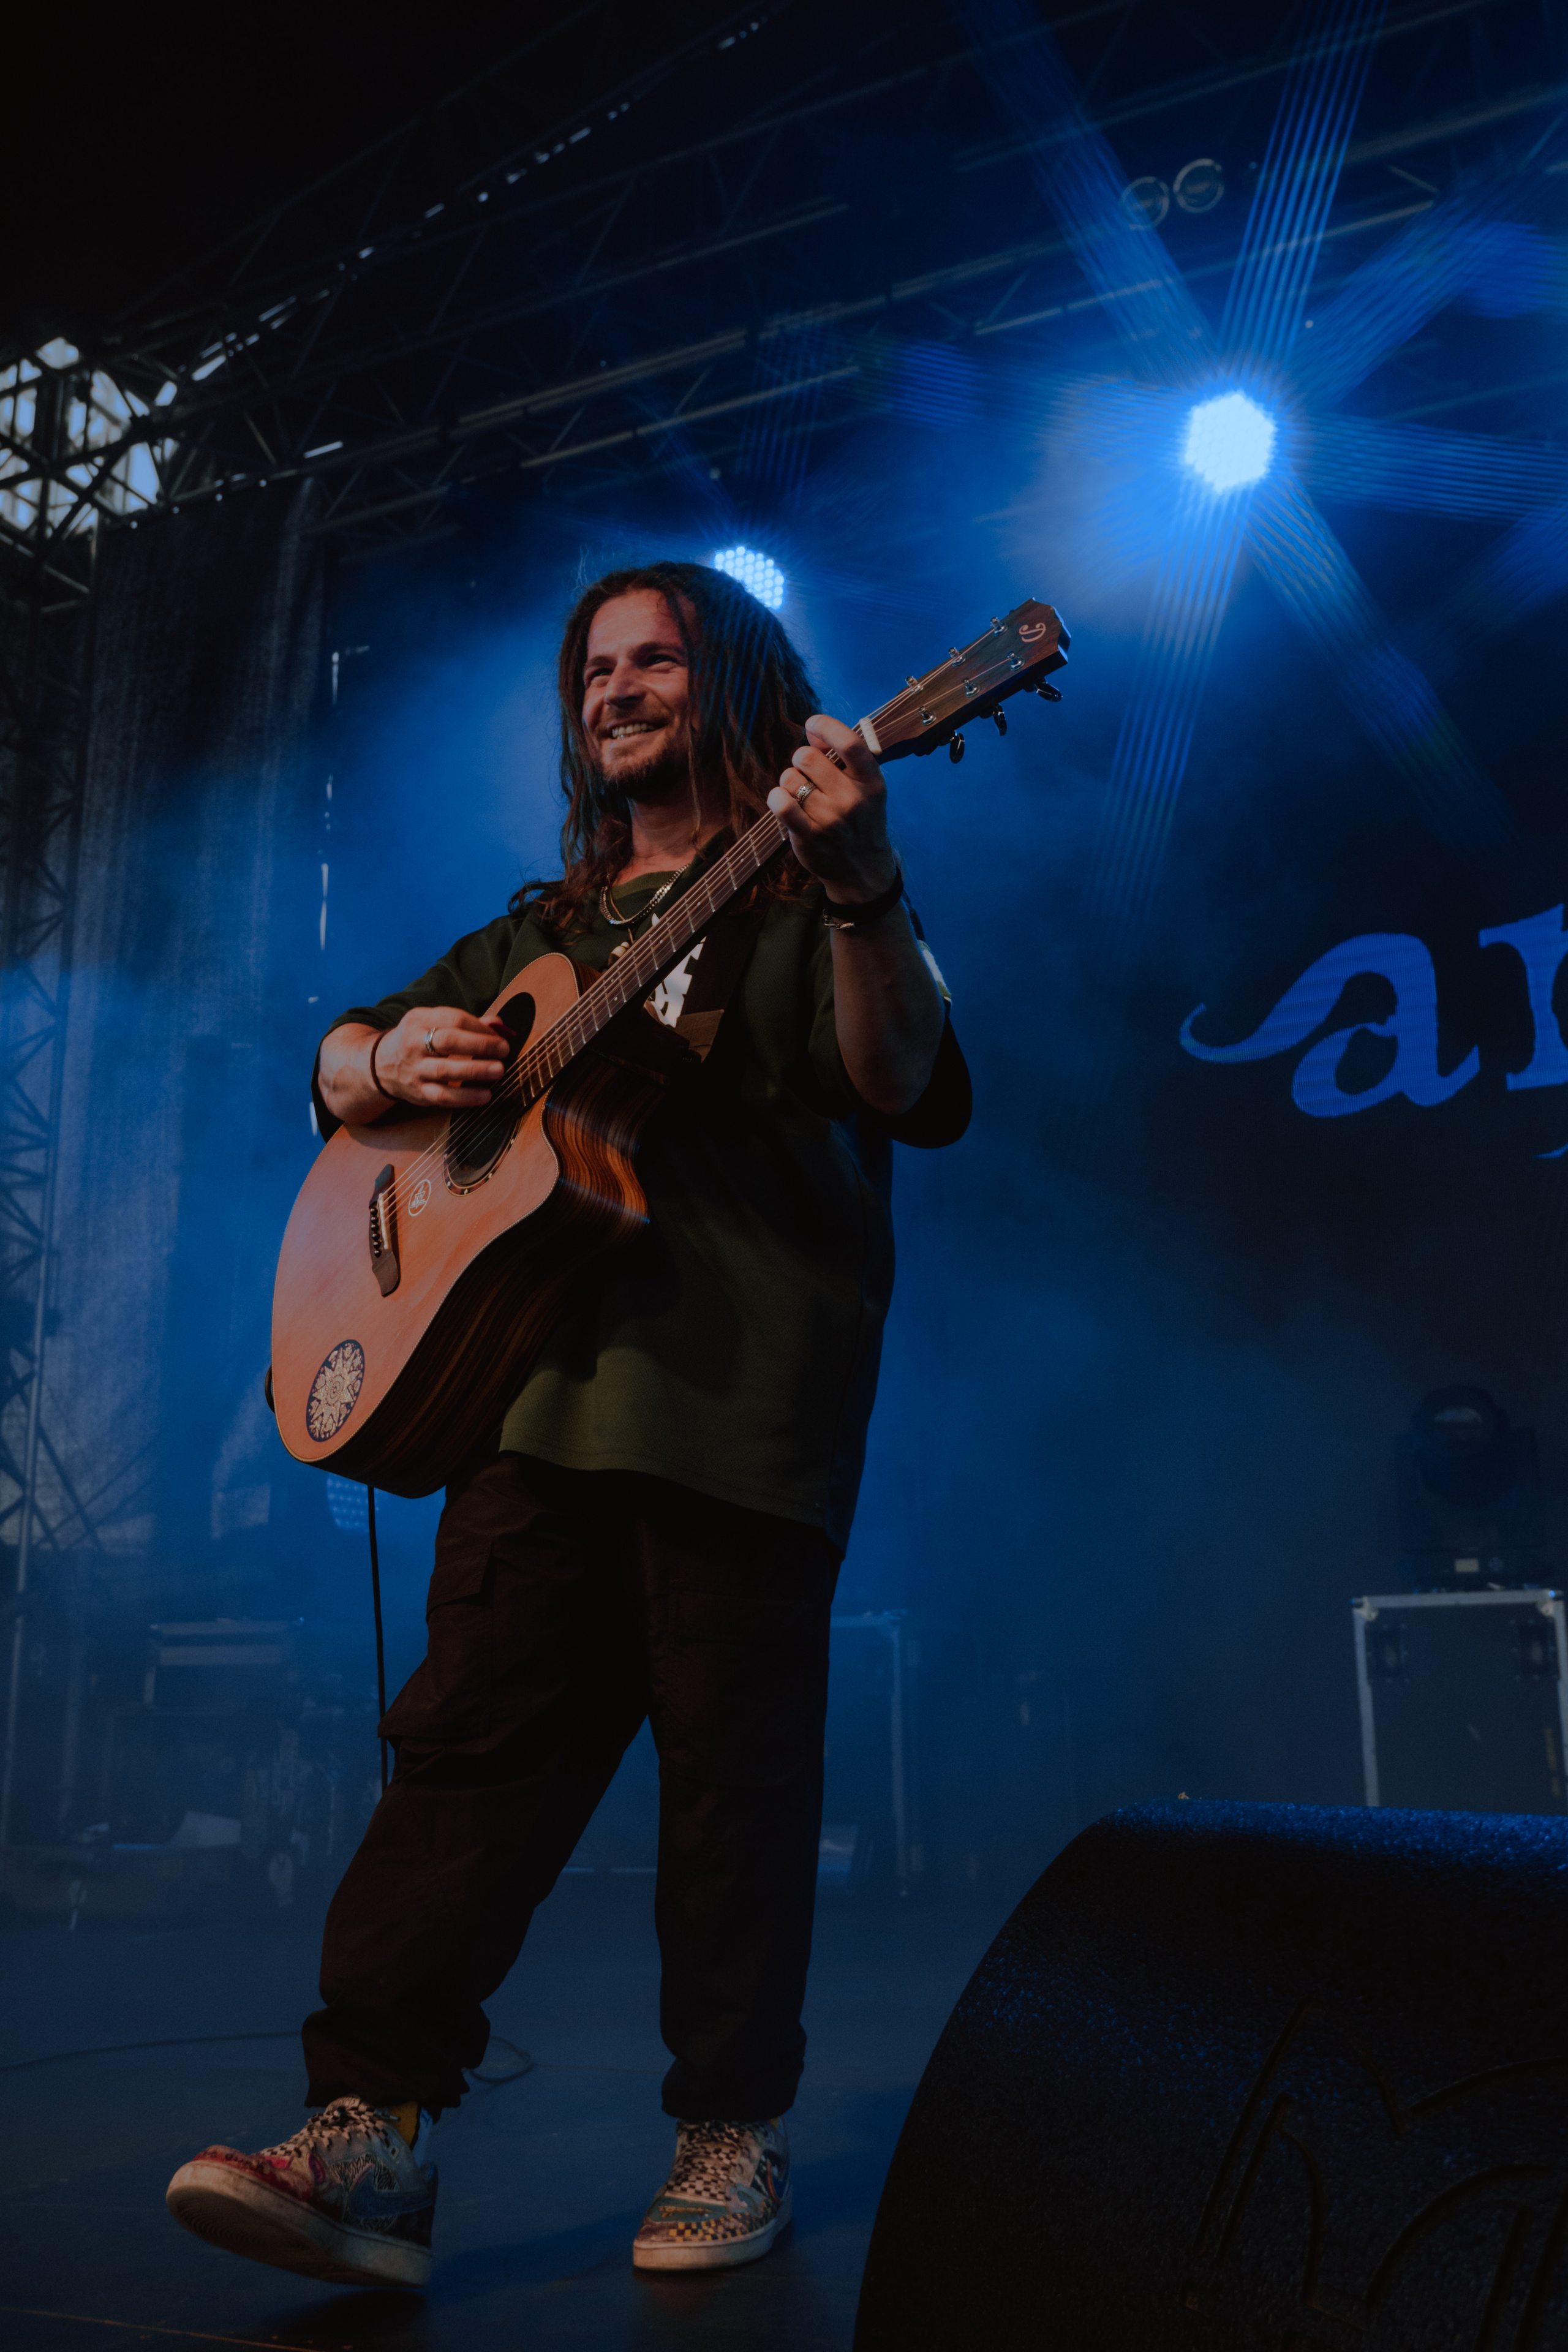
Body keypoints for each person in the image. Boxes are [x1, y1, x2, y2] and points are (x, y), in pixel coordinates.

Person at [165, 560, 970, 2289]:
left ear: (734, 680)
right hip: (532, 1422)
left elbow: (906, 1082)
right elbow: (331, 1056)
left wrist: (865, 883)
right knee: (458, 1777)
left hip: (743, 1420)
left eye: (655, 660)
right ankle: (367, 2138)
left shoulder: (811, 885)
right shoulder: (535, 934)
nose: (615, 690)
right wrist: (382, 1069)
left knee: (735, 1808)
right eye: (595, 668)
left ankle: (727, 2139)